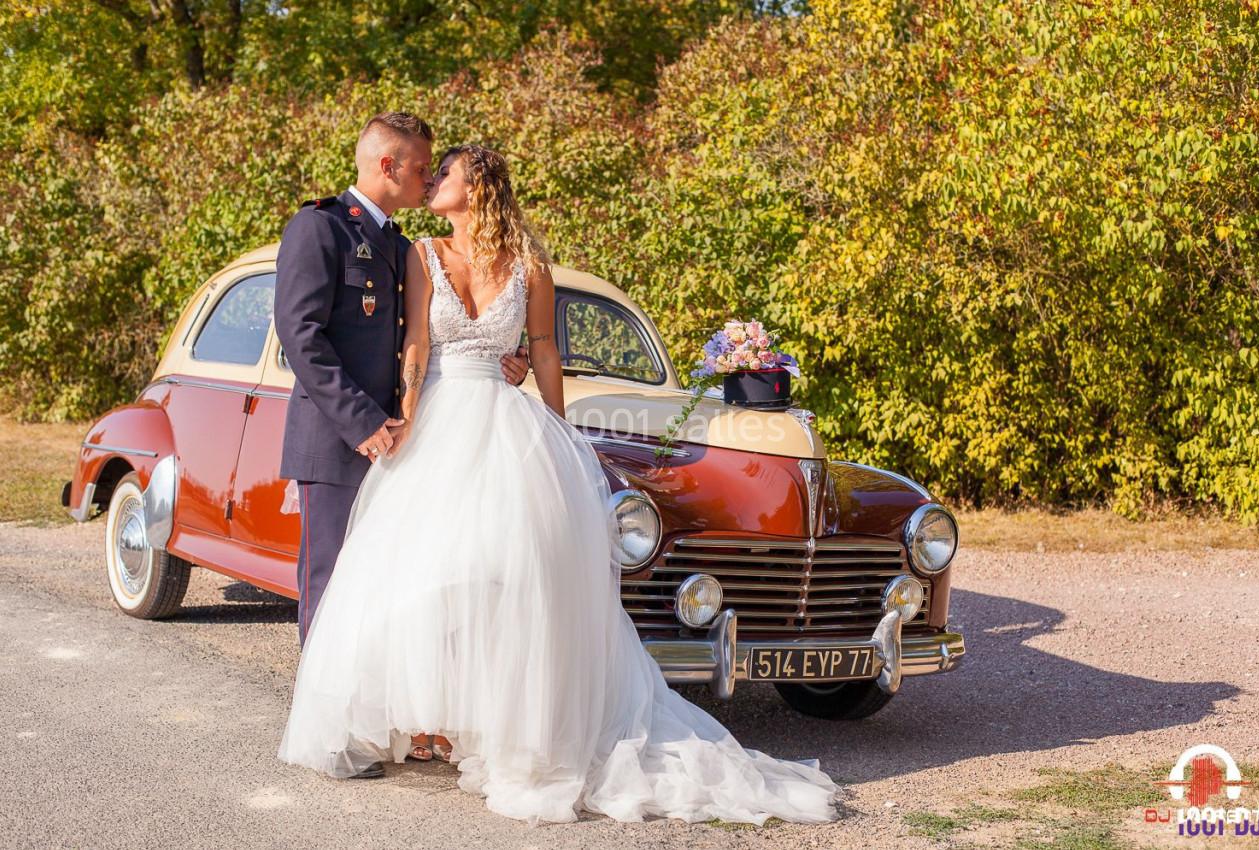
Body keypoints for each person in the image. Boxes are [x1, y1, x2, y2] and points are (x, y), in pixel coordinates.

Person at [277, 143, 840, 824]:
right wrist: (406, 418)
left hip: (506, 424)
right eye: (428, 171)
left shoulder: (530, 268)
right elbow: (416, 345)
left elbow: (544, 348)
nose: (432, 184)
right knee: (422, 572)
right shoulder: (419, 252)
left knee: (515, 580)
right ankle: (425, 719)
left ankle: (497, 723)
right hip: (439, 420)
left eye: (444, 174)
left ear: (476, 188)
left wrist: (559, 432)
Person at [272, 112, 530, 658]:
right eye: (419, 168)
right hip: (340, 439)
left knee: (389, 589)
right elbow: (301, 337)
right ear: (388, 165)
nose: (428, 180)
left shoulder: (400, 244)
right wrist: (362, 422)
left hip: (411, 441)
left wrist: (509, 355)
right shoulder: (321, 227)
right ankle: (325, 727)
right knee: (332, 580)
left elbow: (425, 337)